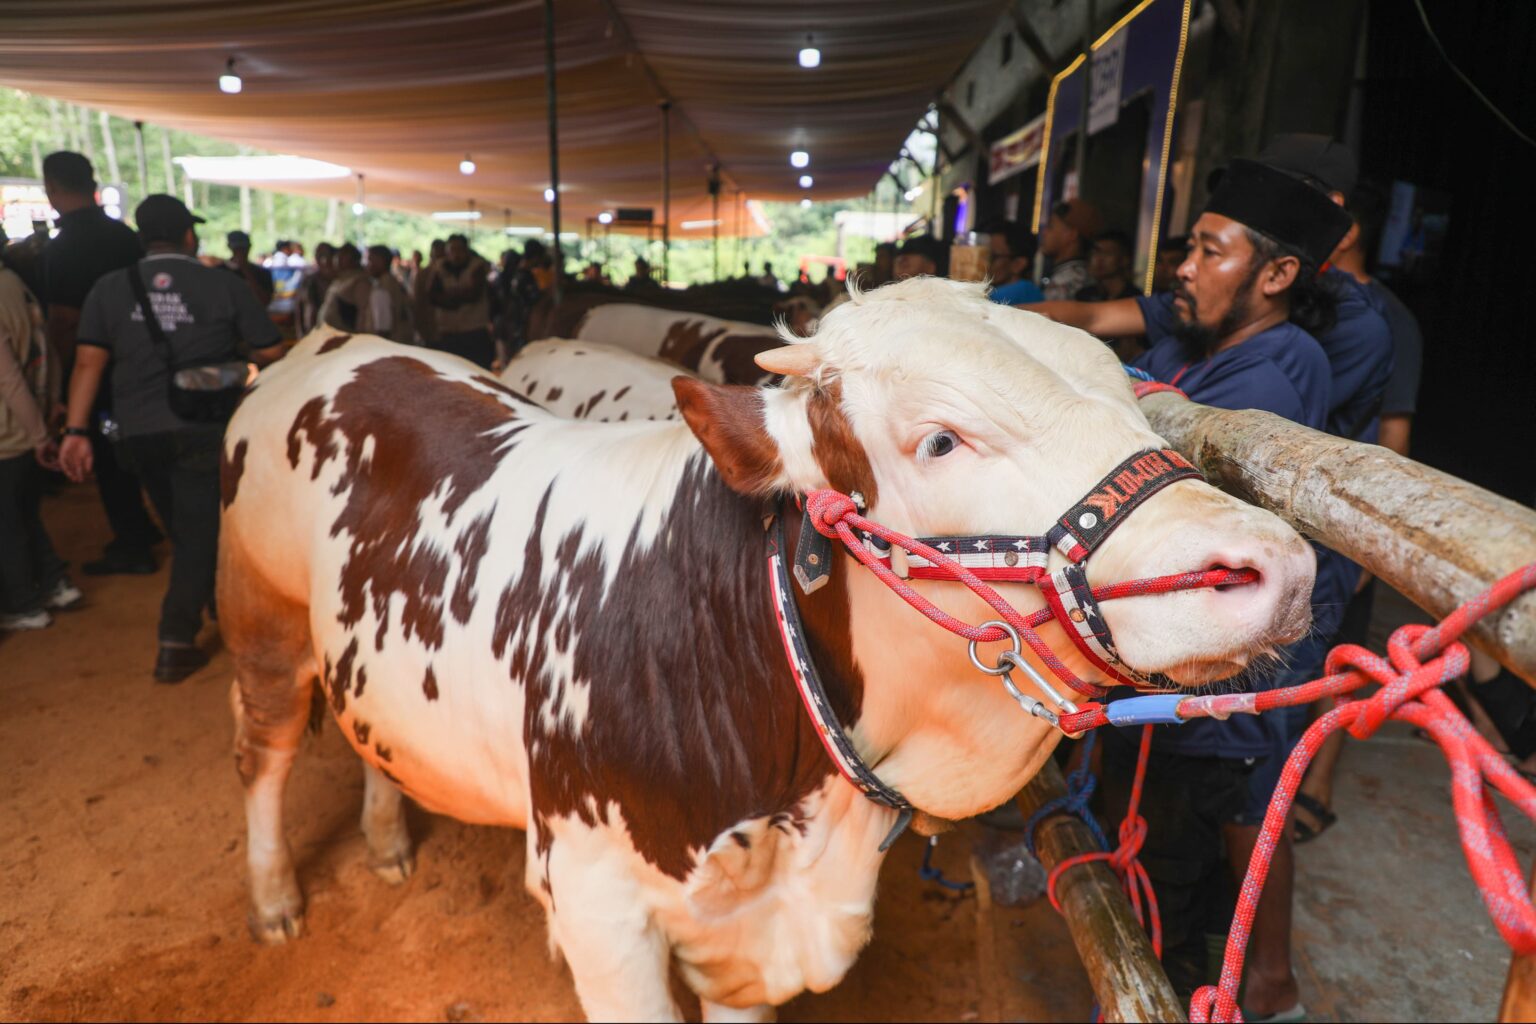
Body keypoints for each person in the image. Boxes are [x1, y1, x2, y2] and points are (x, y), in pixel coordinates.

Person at [1028, 158, 1355, 1019]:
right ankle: (1224, 973)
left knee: (1215, 812)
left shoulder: (1277, 369)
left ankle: (1233, 983)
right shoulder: (1195, 338)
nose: (1185, 267)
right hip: (1180, 628)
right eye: (1193, 249)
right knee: (1190, 818)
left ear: (1277, 275)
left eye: (1211, 251)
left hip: (1229, 635)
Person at [57, 195, 285, 683]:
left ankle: (215, 601)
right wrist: (231, 363)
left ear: (142, 237)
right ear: (188, 235)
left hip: (136, 432)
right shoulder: (223, 284)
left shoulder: (109, 288)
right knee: (199, 532)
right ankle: (176, 639)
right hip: (205, 426)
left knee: (187, 528)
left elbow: (88, 362)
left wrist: (75, 431)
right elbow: (271, 350)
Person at [40, 149, 162, 577]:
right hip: (144, 361)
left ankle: (133, 542)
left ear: (51, 188)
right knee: (134, 449)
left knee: (105, 455)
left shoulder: (63, 248)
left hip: (94, 369)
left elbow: (63, 322)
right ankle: (142, 527)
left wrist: (60, 386)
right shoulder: (125, 236)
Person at [0, 238, 81, 631]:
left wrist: (38, 435)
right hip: (31, 420)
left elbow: (8, 378)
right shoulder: (14, 282)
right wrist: (51, 404)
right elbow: (45, 346)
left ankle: (25, 605)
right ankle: (54, 582)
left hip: (8, 432)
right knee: (26, 514)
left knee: (8, 524)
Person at [421, 233, 493, 368]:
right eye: (452, 250)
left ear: (466, 250)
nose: (456, 254)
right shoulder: (439, 268)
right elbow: (432, 295)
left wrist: (450, 297)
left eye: (459, 249)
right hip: (449, 330)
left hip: (474, 329)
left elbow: (473, 294)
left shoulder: (477, 267)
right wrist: (453, 297)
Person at [319, 244, 412, 342]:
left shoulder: (381, 286)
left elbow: (382, 326)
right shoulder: (384, 282)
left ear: (380, 261)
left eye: (370, 260)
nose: (367, 264)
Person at [1037, 198, 1102, 300]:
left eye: (1050, 227)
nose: (1044, 233)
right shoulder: (1081, 275)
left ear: (1072, 235)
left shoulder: (1067, 282)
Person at [983, 220, 1043, 305]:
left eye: (992, 257)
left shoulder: (1017, 293)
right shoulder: (1031, 291)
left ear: (1018, 264)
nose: (984, 264)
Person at [1076, 230, 1140, 301]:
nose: (1099, 259)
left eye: (1108, 253)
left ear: (1125, 259)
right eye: (1095, 253)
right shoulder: (1085, 295)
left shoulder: (1134, 298)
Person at [225, 230, 275, 309]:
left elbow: (265, 301)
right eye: (237, 248)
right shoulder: (220, 271)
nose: (240, 252)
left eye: (243, 248)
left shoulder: (262, 273)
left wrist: (246, 270)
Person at [297, 241, 336, 336]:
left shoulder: (339, 281)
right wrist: (301, 333)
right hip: (311, 330)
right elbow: (300, 307)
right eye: (319, 256)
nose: (323, 260)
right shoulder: (309, 280)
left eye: (325, 255)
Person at [413, 239, 447, 345]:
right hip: (431, 326)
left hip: (445, 327)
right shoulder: (423, 274)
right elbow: (418, 302)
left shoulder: (448, 274)